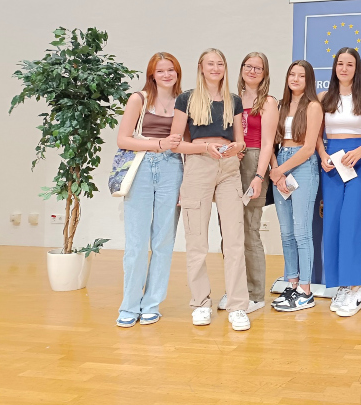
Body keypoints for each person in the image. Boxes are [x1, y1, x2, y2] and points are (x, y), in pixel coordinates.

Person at [170, 48, 250, 332]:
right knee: (197, 242)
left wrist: (236, 148)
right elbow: (175, 142)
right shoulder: (187, 99)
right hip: (198, 167)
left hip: (229, 169)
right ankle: (201, 303)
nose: (215, 68)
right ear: (201, 68)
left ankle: (238, 306)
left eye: (220, 64)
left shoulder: (234, 100)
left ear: (224, 68)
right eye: (210, 64)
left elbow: (241, 141)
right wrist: (205, 147)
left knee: (234, 240)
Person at [115, 52, 184, 327]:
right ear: (152, 75)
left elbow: (185, 144)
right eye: (161, 71)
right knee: (136, 242)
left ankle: (151, 304)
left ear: (178, 73)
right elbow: (123, 139)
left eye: (171, 70)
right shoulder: (138, 99)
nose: (167, 75)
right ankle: (129, 306)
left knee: (163, 241)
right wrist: (158, 145)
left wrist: (186, 181)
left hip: (172, 169)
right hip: (141, 167)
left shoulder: (184, 102)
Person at [217, 53, 279, 314]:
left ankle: (254, 293)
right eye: (248, 66)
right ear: (241, 69)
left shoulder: (269, 102)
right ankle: (234, 288)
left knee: (250, 229)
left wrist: (258, 175)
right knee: (228, 230)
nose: (252, 71)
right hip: (230, 161)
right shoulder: (229, 99)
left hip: (253, 161)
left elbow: (267, 144)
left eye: (258, 68)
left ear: (265, 73)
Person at [318, 48, 361, 318]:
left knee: (353, 222)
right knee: (332, 223)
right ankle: (341, 285)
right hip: (332, 164)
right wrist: (322, 155)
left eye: (349, 64)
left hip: (359, 162)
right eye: (340, 63)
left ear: (357, 68)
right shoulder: (322, 99)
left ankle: (355, 286)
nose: (344, 68)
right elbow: (316, 135)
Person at [269, 60, 323, 312]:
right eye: (292, 74)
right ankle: (291, 283)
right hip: (279, 164)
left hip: (302, 166)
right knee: (287, 232)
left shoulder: (313, 106)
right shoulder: (279, 106)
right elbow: (271, 142)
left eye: (301, 75)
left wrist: (282, 169)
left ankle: (305, 289)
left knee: (302, 231)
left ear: (308, 80)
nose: (296, 79)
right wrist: (275, 169)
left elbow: (309, 147)